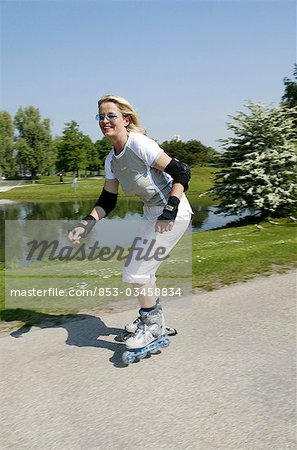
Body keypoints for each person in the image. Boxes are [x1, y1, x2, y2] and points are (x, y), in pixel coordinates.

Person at [68, 95, 192, 350]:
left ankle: (152, 326)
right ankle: (153, 319)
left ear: (126, 120)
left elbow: (181, 171)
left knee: (136, 271)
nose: (105, 121)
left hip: (172, 212)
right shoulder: (111, 159)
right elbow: (108, 200)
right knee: (142, 271)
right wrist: (86, 223)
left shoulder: (138, 144)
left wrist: (170, 208)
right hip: (152, 212)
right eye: (100, 116)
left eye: (110, 115)